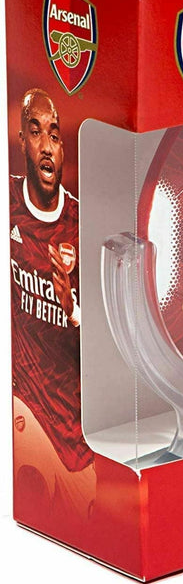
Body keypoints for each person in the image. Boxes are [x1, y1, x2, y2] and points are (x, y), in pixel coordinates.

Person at [10, 88, 95, 524]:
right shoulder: (7, 205)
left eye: (55, 136)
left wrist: (72, 309)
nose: (47, 145)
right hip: (24, 405)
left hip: (74, 433)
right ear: (22, 141)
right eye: (36, 132)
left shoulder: (84, 225)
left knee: (80, 528)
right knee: (34, 509)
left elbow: (111, 340)